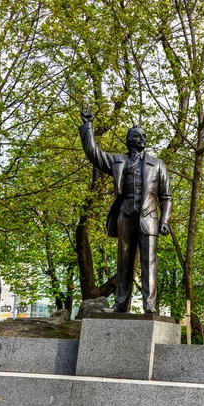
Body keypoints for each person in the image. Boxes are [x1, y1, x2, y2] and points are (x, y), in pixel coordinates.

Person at [79, 108, 172, 314]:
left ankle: (150, 306)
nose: (143, 138)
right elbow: (94, 153)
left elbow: (166, 196)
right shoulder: (117, 161)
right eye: (138, 136)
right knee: (123, 262)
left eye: (145, 136)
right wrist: (88, 126)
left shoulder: (157, 164)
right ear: (129, 140)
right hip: (125, 215)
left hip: (148, 218)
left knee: (149, 262)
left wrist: (164, 221)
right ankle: (121, 304)